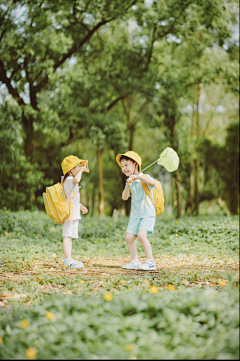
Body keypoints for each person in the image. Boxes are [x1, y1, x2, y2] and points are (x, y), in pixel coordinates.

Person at [116, 151, 157, 271]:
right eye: (122, 166)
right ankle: (135, 261)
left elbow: (153, 183)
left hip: (147, 213)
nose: (124, 168)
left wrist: (138, 177)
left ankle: (150, 262)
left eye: (126, 165)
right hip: (135, 214)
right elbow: (124, 197)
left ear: (135, 164)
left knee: (141, 236)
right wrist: (128, 185)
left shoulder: (144, 178)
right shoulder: (130, 181)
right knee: (129, 237)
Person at [61, 155, 89, 269]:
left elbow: (72, 197)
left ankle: (69, 258)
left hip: (74, 212)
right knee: (67, 236)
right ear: (70, 169)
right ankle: (67, 260)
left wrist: (80, 206)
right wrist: (82, 171)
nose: (80, 168)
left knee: (70, 237)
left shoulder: (70, 181)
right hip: (69, 214)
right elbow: (77, 179)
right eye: (78, 166)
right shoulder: (68, 180)